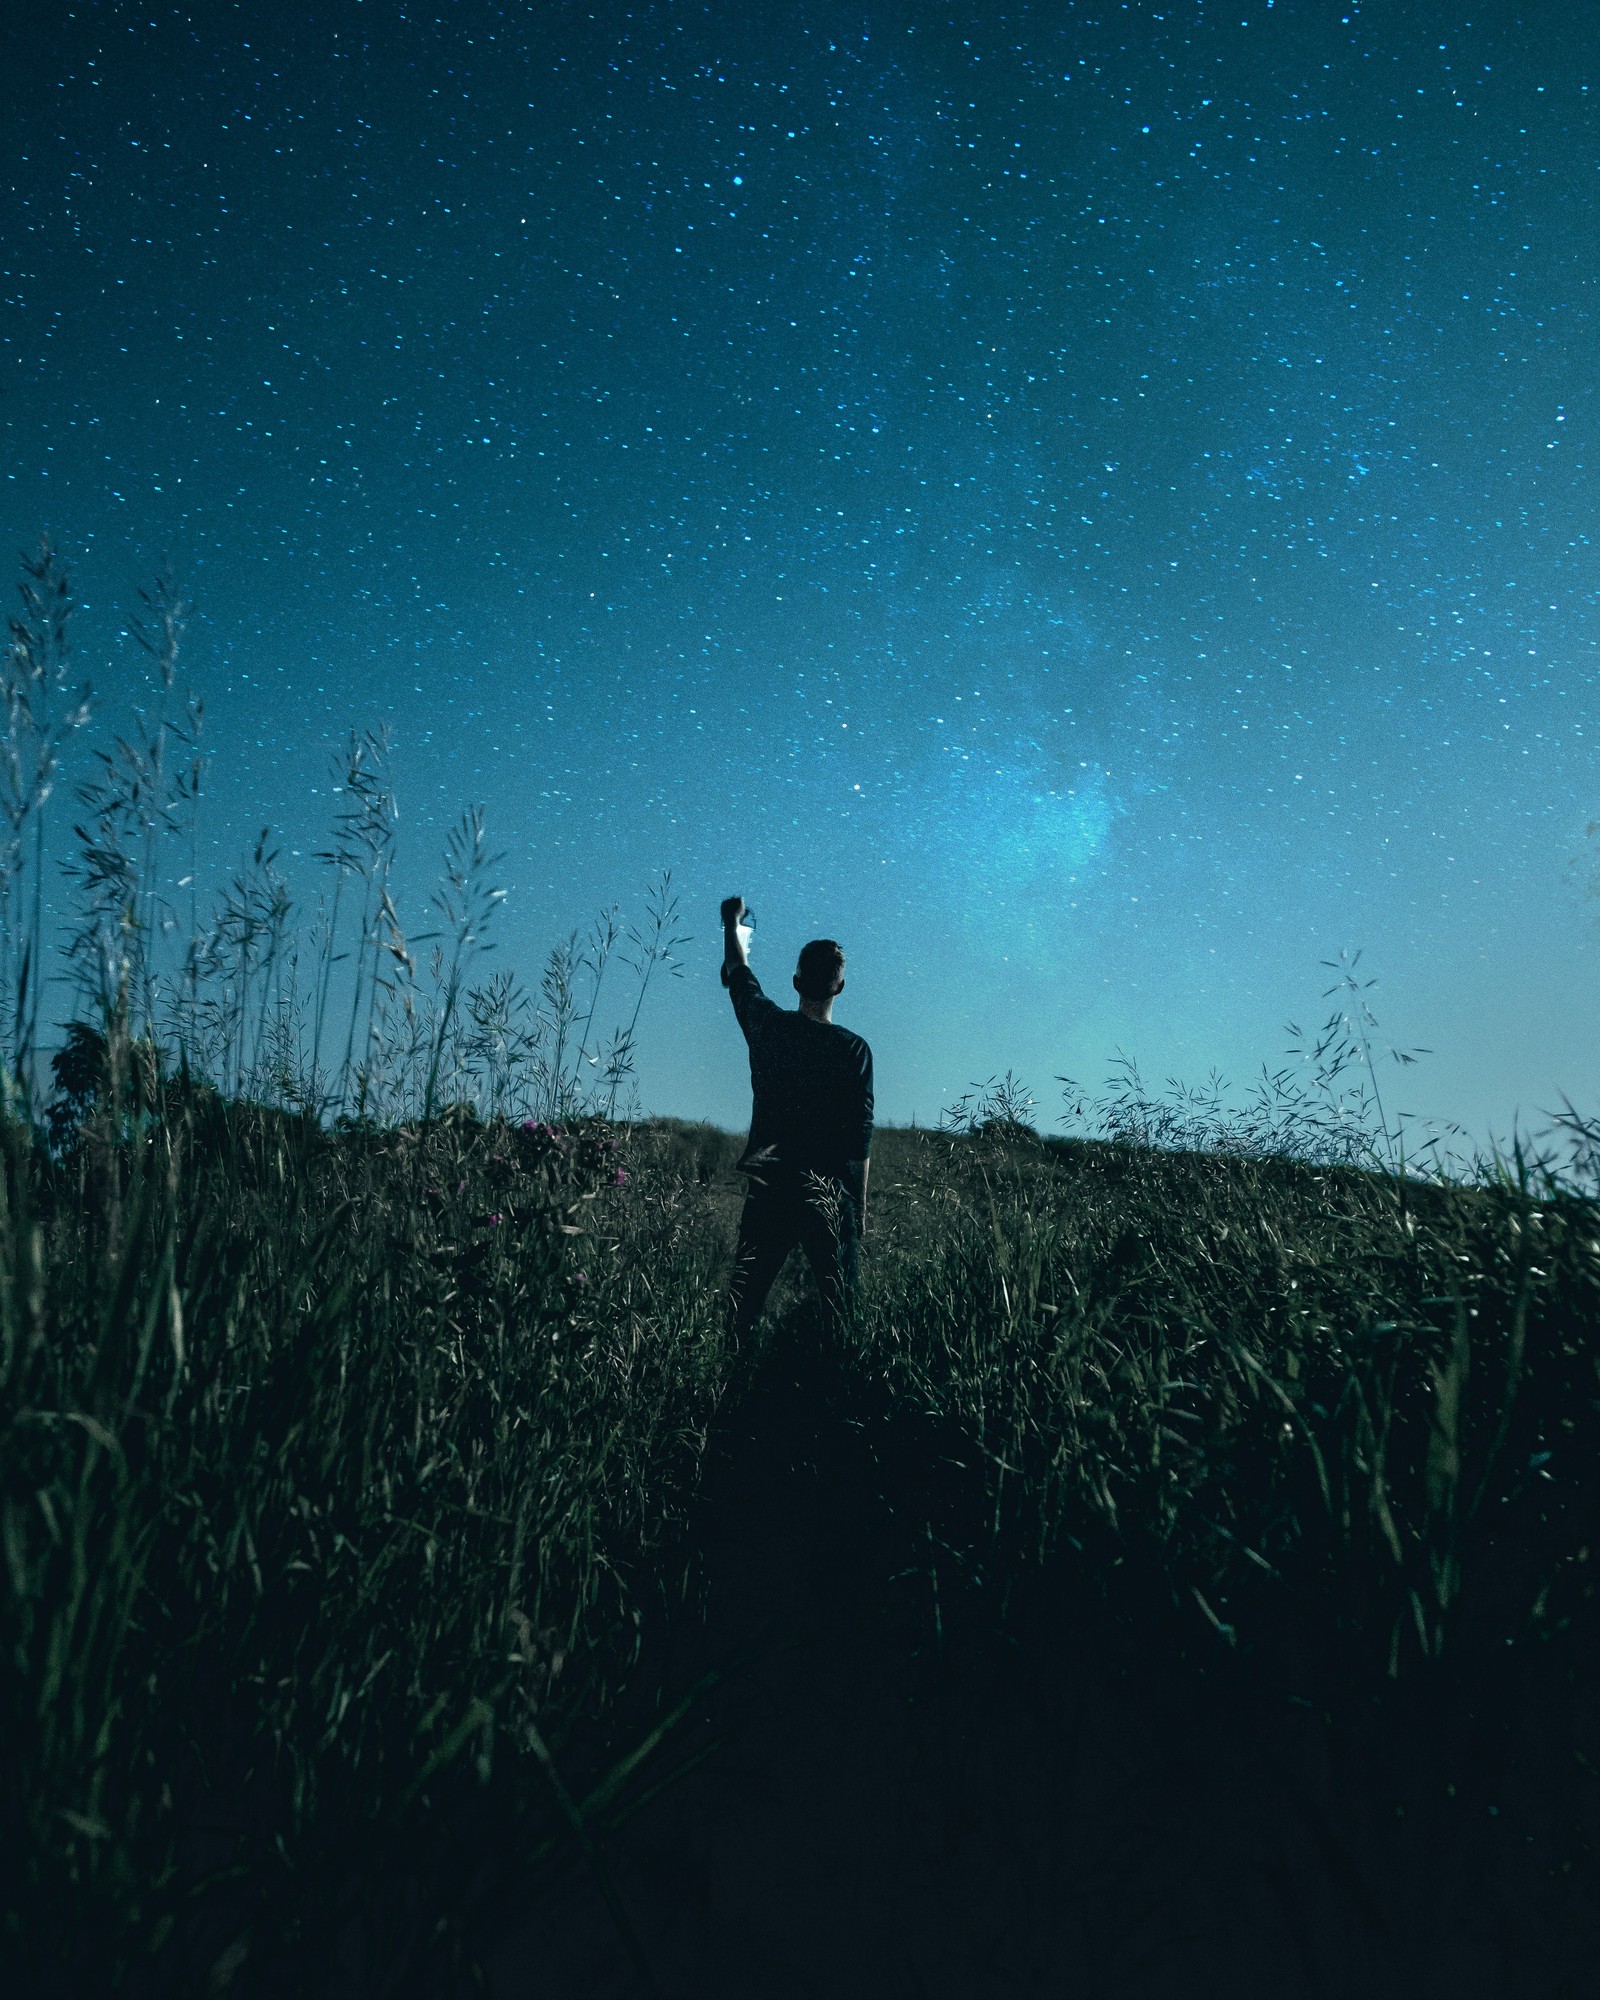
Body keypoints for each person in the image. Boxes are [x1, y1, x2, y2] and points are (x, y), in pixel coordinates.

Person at [719, 895, 873, 1358]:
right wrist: (858, 1206)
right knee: (840, 1309)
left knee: (744, 1305)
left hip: (770, 1188)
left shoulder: (767, 1027)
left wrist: (732, 923)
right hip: (828, 1193)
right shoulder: (853, 1050)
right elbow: (859, 1137)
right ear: (840, 987)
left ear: (795, 982)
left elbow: (738, 974)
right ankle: (837, 1400)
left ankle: (729, 1392)